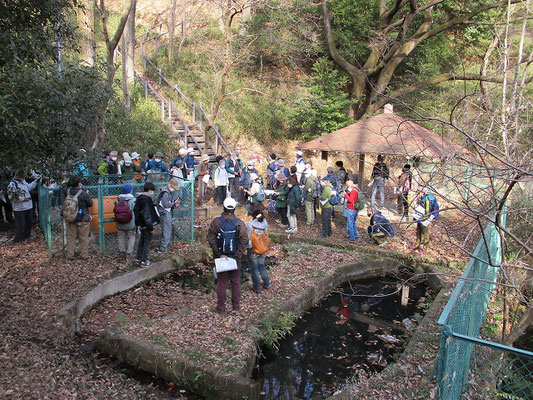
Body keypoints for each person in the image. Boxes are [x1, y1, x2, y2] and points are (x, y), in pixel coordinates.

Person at [207, 197, 248, 314]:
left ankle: (221, 307)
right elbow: (244, 240)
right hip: (235, 257)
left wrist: (219, 254)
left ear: (223, 207)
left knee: (221, 281)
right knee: (235, 281)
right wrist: (237, 255)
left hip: (221, 258)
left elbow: (211, 239)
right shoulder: (240, 223)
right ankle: (236, 305)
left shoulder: (216, 222)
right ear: (234, 208)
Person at [63, 177, 93, 259]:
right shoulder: (83, 193)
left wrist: (68, 183)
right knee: (84, 238)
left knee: (71, 238)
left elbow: (63, 186)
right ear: (79, 184)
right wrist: (86, 193)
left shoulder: (68, 192)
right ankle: (84, 255)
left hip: (71, 218)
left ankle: (70, 256)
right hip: (83, 218)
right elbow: (90, 203)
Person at [8, 174, 40, 243]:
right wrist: (22, 199)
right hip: (19, 208)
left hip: (28, 206)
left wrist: (36, 181)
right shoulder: (12, 184)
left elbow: (28, 187)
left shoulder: (23, 181)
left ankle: (26, 236)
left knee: (30, 221)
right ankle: (18, 239)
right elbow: (11, 197)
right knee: (20, 224)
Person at [134, 182, 159, 266]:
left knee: (142, 240)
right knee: (146, 242)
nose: (152, 192)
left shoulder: (140, 198)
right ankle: (144, 260)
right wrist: (151, 227)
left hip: (141, 224)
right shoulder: (145, 200)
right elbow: (146, 215)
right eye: (152, 190)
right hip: (146, 224)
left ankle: (139, 257)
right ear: (149, 190)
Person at [247, 208, 270, 293]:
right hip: (263, 248)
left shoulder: (250, 225)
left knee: (254, 269)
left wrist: (248, 248)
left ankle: (257, 288)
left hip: (253, 249)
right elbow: (266, 235)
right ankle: (267, 284)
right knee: (262, 266)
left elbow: (248, 238)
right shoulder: (265, 223)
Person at [412, 186, 439, 254]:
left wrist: (421, 220)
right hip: (420, 217)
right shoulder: (424, 198)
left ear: (424, 193)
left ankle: (425, 248)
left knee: (425, 233)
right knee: (418, 231)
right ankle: (417, 244)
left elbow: (427, 212)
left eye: (420, 192)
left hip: (426, 218)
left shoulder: (428, 200)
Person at [157, 178, 180, 253]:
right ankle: (163, 248)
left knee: (165, 230)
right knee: (167, 230)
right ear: (169, 184)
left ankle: (161, 246)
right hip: (165, 213)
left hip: (164, 212)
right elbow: (166, 204)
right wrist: (173, 203)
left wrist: (173, 203)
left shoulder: (165, 191)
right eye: (173, 187)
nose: (173, 189)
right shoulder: (165, 193)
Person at [115, 183, 136, 258]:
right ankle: (129, 252)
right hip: (130, 222)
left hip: (119, 221)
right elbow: (135, 210)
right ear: (130, 190)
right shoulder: (133, 200)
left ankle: (122, 251)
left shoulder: (117, 199)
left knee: (121, 236)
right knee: (131, 236)